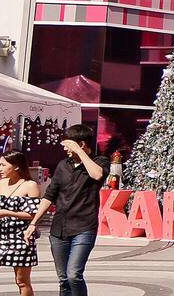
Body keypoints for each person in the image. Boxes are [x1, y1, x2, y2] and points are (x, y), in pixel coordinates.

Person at [28, 125, 108, 296]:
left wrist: (80, 152)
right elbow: (50, 195)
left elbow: (97, 175)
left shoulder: (99, 162)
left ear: (81, 144)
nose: (64, 148)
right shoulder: (63, 165)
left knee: (74, 275)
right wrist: (34, 222)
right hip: (59, 228)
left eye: (68, 144)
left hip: (84, 227)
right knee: (64, 278)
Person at [0, 152, 42, 296]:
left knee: (22, 281)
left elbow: (34, 215)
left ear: (16, 166)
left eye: (3, 165)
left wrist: (6, 213)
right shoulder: (1, 184)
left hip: (21, 238)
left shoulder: (30, 185)